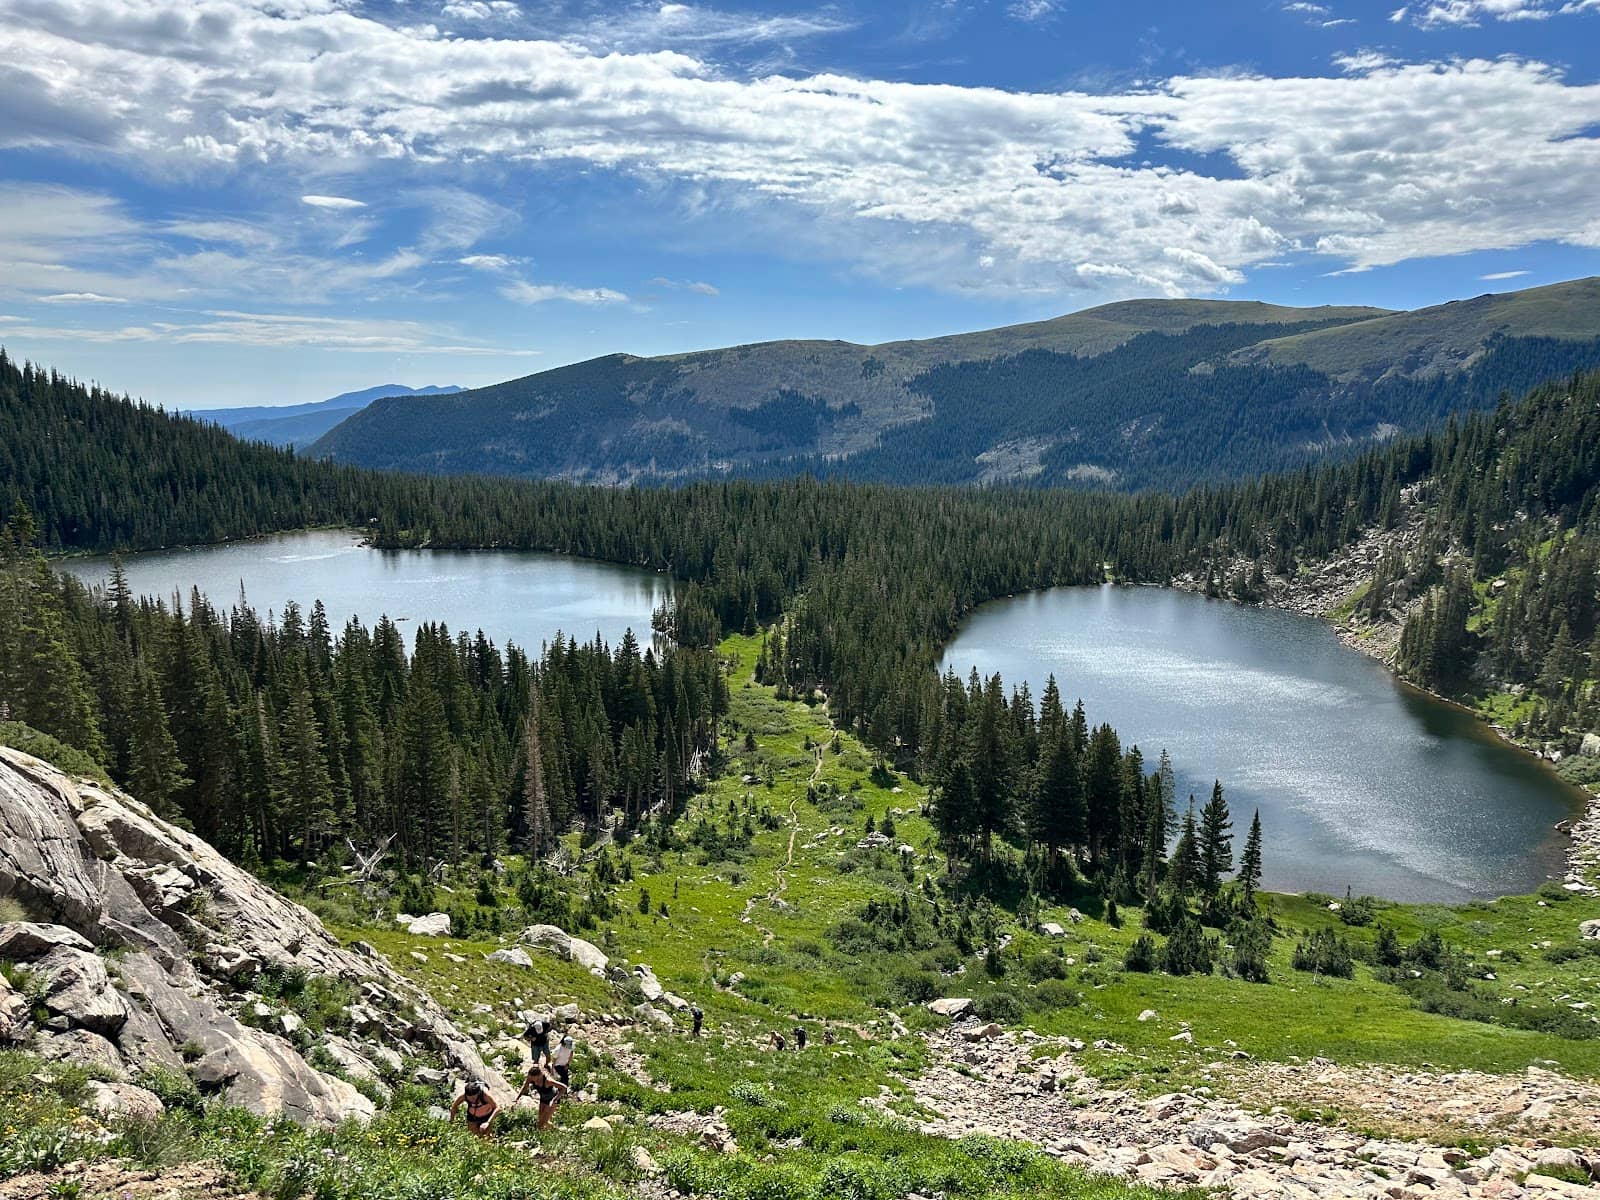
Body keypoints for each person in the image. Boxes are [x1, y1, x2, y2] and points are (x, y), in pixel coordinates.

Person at [516, 1061, 568, 1130]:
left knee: (542, 1123)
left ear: (539, 1075)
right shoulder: (531, 1077)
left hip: (552, 1099)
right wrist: (517, 1098)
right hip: (543, 1098)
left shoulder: (548, 1081)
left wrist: (554, 1100)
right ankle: (556, 1130)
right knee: (540, 1121)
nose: (533, 1080)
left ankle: (543, 1137)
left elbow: (564, 1087)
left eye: (534, 1078)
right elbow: (525, 1086)